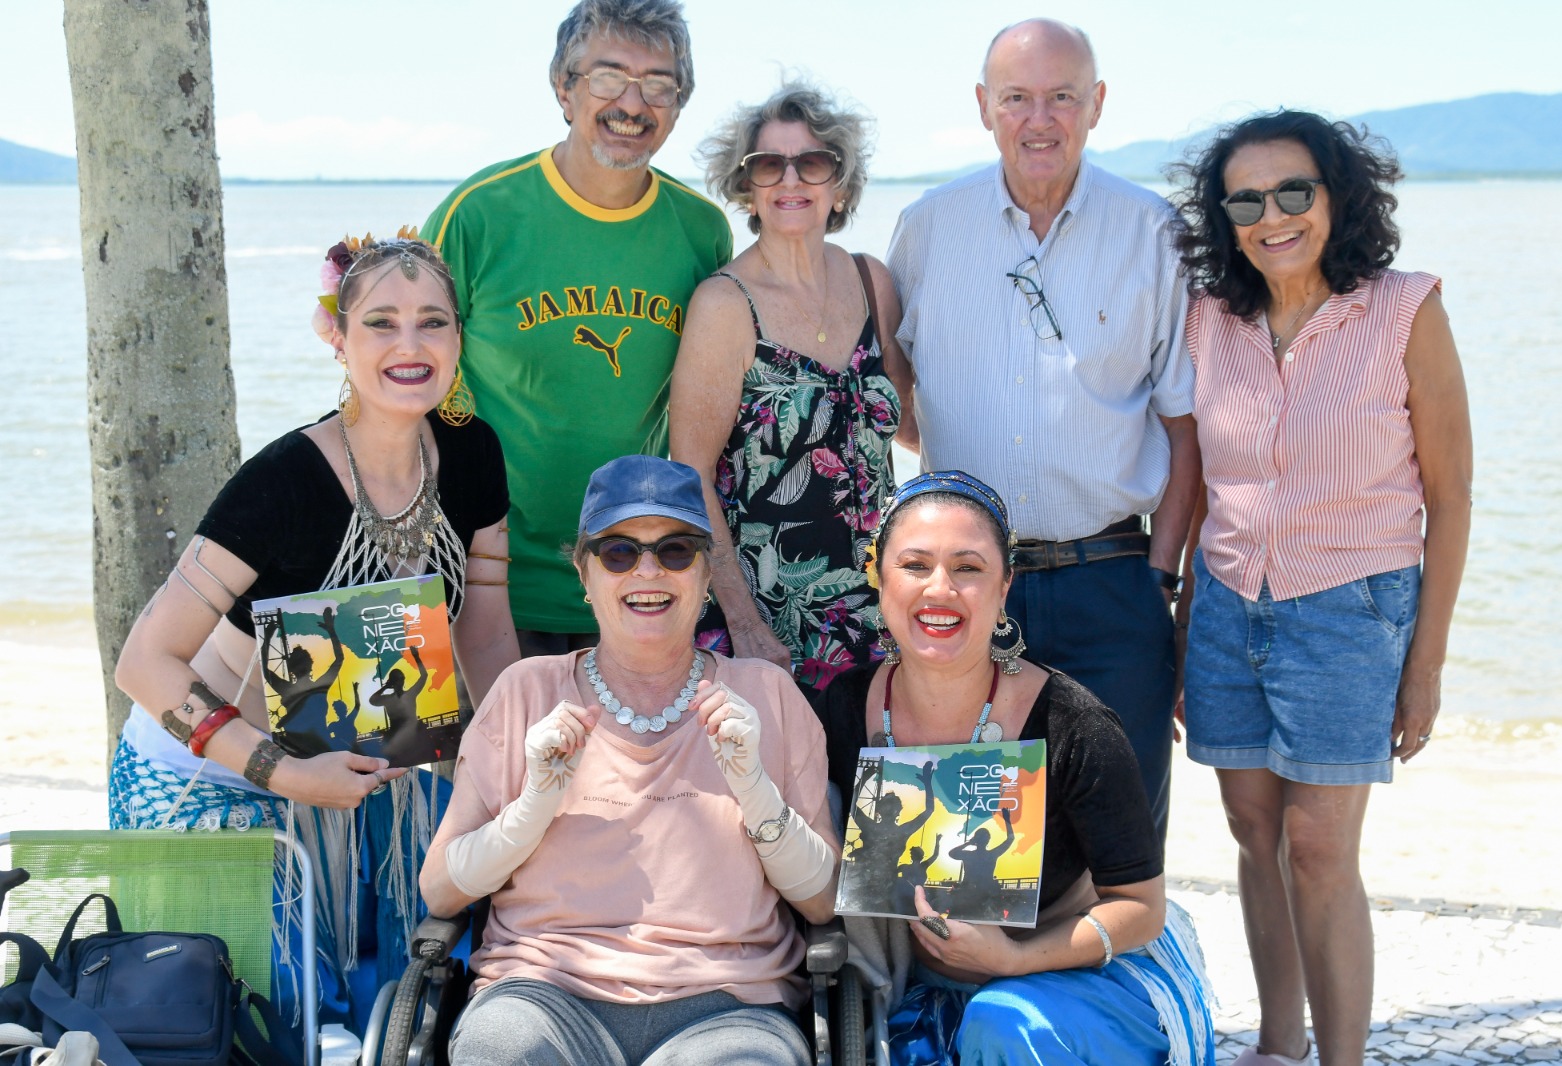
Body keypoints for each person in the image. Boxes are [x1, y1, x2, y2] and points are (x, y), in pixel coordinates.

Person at [110, 234, 520, 1024]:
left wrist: (505, 765)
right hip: (216, 776)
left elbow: (486, 639)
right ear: (337, 336)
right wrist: (285, 775)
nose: (410, 345)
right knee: (265, 1021)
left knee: (422, 996)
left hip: (375, 770)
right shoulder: (282, 482)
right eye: (381, 322)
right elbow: (145, 663)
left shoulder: (473, 453)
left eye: (433, 322)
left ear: (459, 337)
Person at [1171, 111, 1472, 1066]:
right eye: (1246, 201)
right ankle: (1278, 1047)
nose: (1273, 217)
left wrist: (1425, 667)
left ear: (1336, 196)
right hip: (1226, 605)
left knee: (1320, 849)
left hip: (1352, 609)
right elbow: (1202, 488)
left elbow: (1451, 498)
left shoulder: (1405, 309)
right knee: (1253, 832)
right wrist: (1182, 627)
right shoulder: (1209, 320)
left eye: (1293, 192)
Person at [885, 19, 1199, 844]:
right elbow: (896, 395)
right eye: (1017, 98)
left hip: (1114, 586)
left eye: (1062, 96)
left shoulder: (1154, 233)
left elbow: (1185, 426)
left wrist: (1161, 581)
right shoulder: (927, 227)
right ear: (983, 106)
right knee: (961, 850)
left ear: (1097, 104)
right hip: (963, 590)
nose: (1040, 119)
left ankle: (1110, 938)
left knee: (1116, 847)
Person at [420, 455, 838, 1066]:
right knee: (498, 1049)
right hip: (542, 994)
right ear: (584, 574)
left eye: (675, 551)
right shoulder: (524, 691)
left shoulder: (767, 695)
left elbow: (823, 903)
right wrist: (531, 809)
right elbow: (440, 892)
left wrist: (755, 790)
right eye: (618, 552)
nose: (647, 571)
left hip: (728, 1005)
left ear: (706, 574)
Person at [815, 471, 1213, 1066]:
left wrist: (1014, 960)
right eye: (915, 565)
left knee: (1002, 1024)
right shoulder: (843, 709)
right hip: (922, 994)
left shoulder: (1073, 723)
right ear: (879, 578)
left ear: (1005, 587)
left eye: (968, 568)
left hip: (1074, 982)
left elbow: (1141, 909)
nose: (940, 588)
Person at [423, 0, 732, 661]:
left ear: (678, 106)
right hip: (483, 582)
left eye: (658, 84)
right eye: (609, 76)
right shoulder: (477, 214)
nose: (633, 103)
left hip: (640, 581)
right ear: (564, 88)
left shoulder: (702, 231)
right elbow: (396, 376)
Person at [670, 81, 909, 690]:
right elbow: (690, 475)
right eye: (769, 164)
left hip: (882, 615)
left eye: (813, 162)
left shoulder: (872, 282)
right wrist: (745, 624)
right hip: (768, 624)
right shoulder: (725, 304)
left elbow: (906, 431)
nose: (791, 179)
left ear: (841, 185)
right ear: (747, 187)